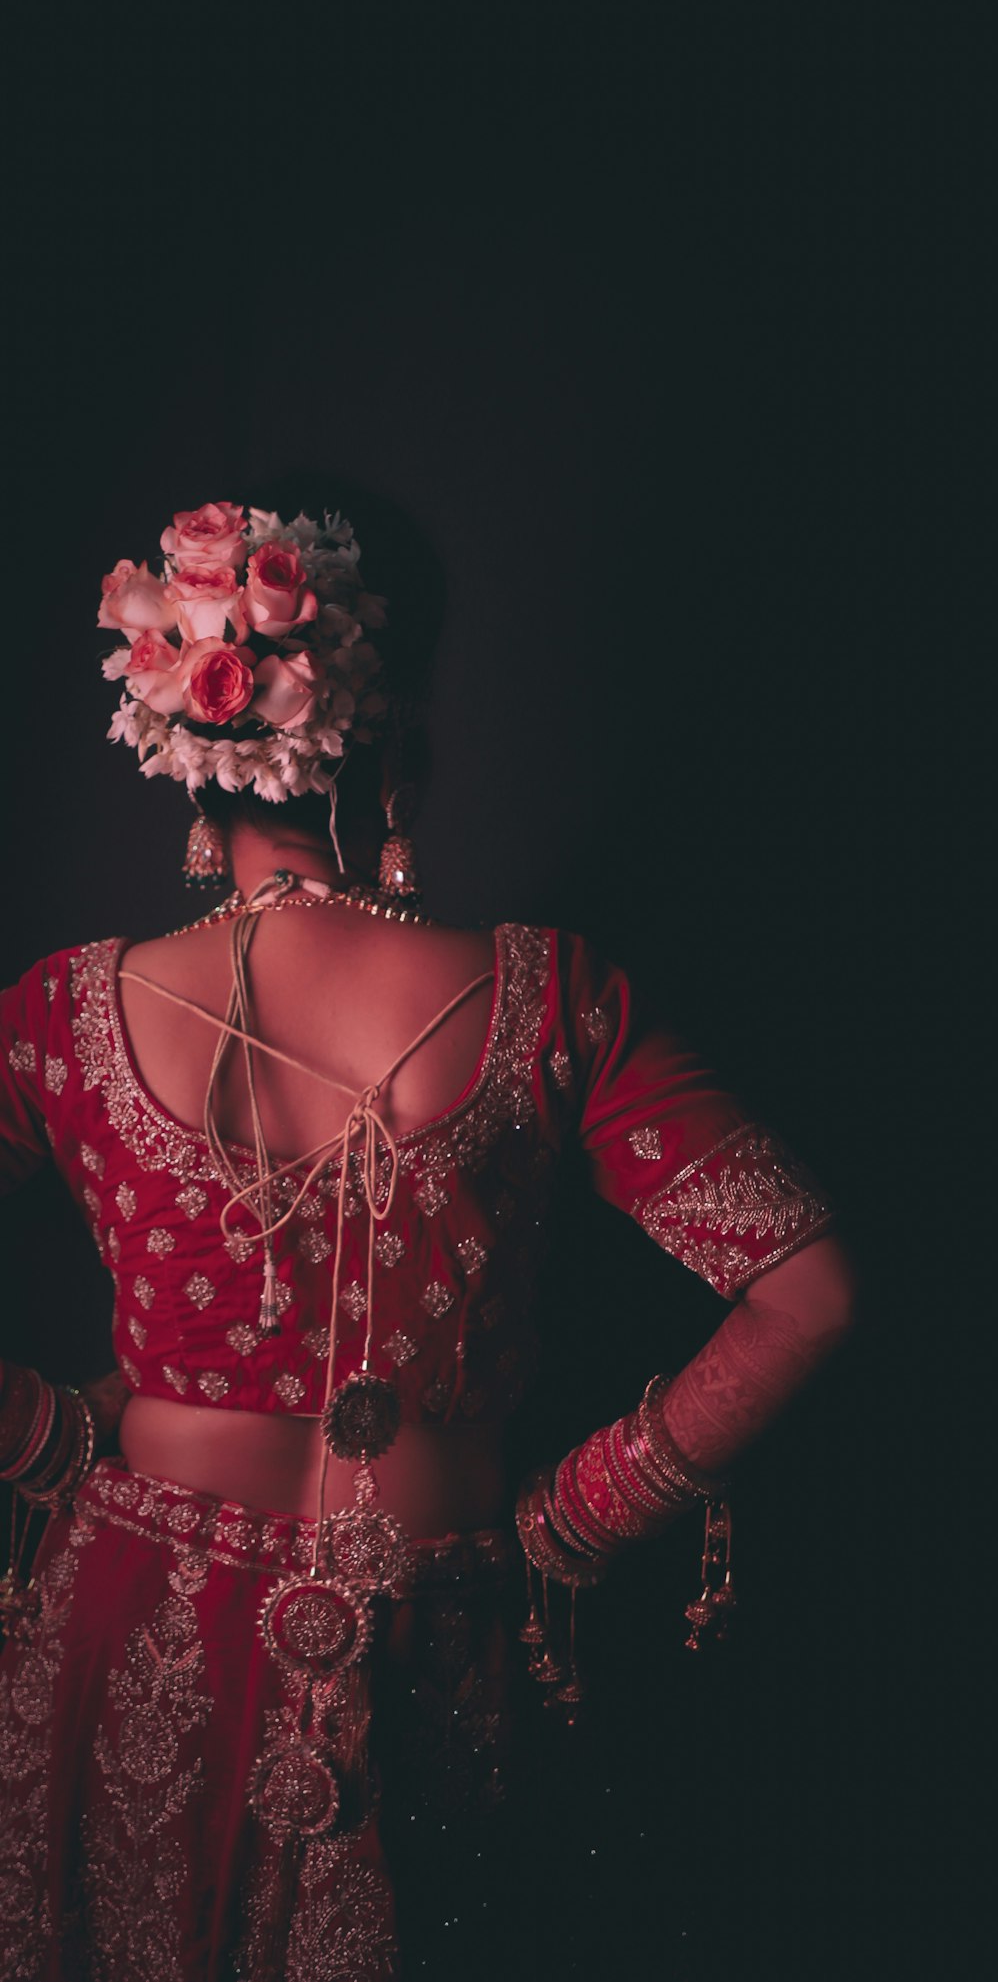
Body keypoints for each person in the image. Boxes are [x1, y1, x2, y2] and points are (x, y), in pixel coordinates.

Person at [0, 496, 856, 1980]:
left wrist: (48, 1444)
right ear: (398, 720)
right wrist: (573, 1516)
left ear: (180, 731)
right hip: (438, 1635)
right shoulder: (551, 1002)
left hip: (134, 1624)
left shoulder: (67, 1017)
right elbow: (810, 1294)